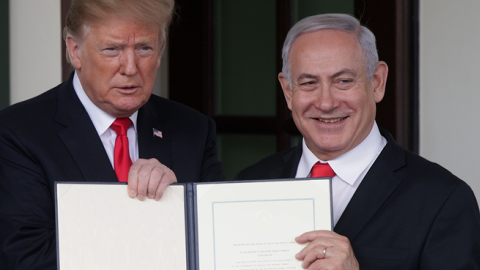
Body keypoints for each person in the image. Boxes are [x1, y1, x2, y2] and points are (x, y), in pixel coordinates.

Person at [236, 13, 480, 269]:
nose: (326, 103)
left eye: (343, 81)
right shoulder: (247, 185)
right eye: (309, 83)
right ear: (288, 92)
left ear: (377, 82)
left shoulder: (443, 200)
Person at [0, 0, 223, 268]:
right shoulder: (20, 131)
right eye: (112, 49)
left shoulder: (193, 129)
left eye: (144, 48)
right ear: (75, 51)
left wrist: (175, 199)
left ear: (160, 51)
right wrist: (158, 215)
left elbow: (218, 243)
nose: (130, 67)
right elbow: (29, 258)